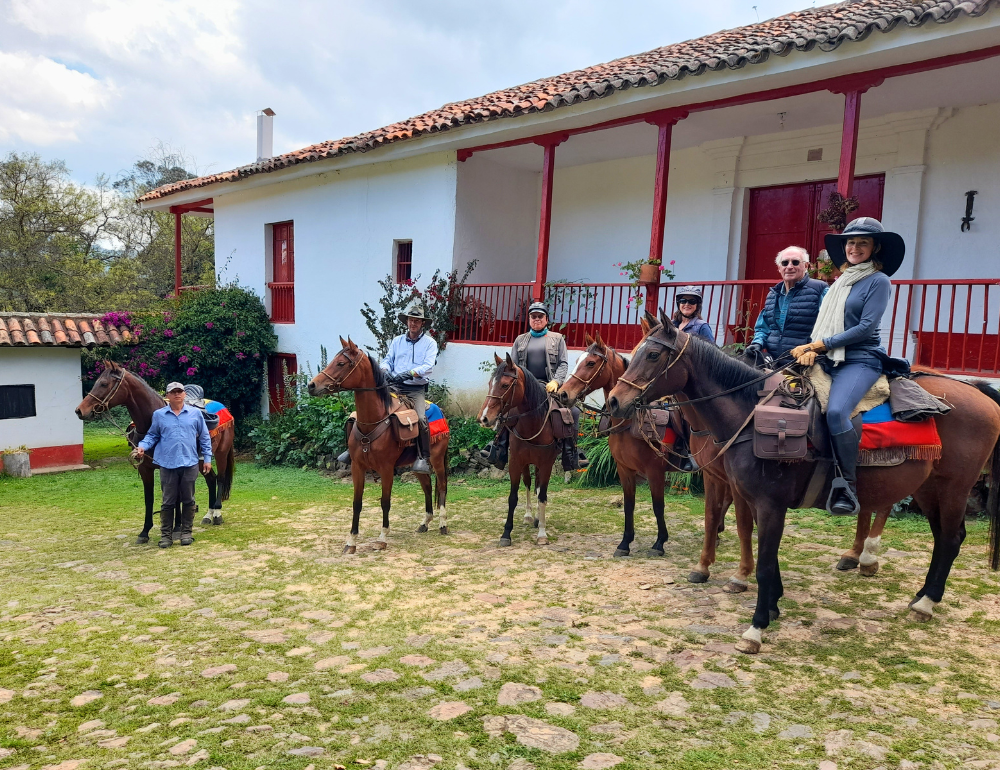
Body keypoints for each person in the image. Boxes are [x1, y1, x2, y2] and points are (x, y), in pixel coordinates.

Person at [790, 217, 905, 516]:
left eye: (862, 243)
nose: (854, 247)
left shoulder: (878, 281)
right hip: (828, 356)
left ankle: (846, 486)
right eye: (850, 242)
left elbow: (866, 328)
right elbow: (825, 324)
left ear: (874, 248)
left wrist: (820, 345)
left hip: (860, 358)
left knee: (838, 412)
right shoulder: (841, 281)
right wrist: (810, 349)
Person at [483, 301, 587, 472]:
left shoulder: (557, 339)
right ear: (530, 319)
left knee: (572, 412)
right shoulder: (520, 340)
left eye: (540, 316)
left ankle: (571, 453)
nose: (537, 319)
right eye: (533, 316)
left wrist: (556, 381)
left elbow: (563, 363)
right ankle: (498, 447)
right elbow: (512, 366)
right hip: (525, 388)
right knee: (506, 409)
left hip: (549, 386)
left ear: (546, 319)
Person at [135, 382, 212, 548]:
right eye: (173, 392)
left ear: (184, 394)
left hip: (190, 462)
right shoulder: (159, 415)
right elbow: (152, 436)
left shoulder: (195, 414)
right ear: (167, 396)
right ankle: (166, 536)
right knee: (168, 501)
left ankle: (186, 533)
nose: (177, 394)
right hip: (167, 464)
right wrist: (142, 446)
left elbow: (204, 437)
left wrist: (207, 458)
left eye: (180, 391)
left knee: (188, 499)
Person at [744, 246, 828, 367]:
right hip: (774, 363)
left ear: (806, 266)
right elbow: (763, 327)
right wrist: (757, 343)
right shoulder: (773, 294)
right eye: (785, 263)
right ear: (779, 268)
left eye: (795, 262)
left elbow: (829, 326)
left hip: (806, 363)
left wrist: (815, 349)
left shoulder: (820, 289)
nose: (789, 266)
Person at [382, 305, 438, 474]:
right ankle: (357, 448)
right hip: (393, 385)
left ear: (422, 323)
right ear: (406, 321)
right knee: (373, 407)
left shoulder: (430, 343)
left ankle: (423, 457)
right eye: (411, 320)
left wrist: (409, 373)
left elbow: (428, 366)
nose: (413, 323)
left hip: (415, 389)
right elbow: (387, 360)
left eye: (417, 321)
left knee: (420, 418)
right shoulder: (397, 341)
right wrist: (385, 370)